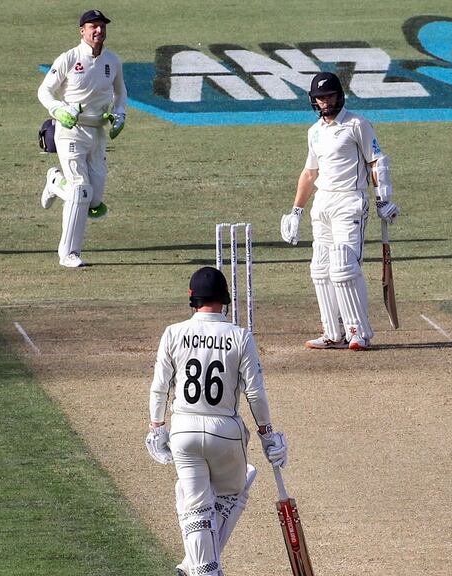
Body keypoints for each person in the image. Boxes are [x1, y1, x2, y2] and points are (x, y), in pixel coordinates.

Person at [147, 266, 288, 576]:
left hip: (183, 430)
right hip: (225, 431)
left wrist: (157, 427)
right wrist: (267, 435)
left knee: (193, 503)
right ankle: (205, 570)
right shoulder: (240, 336)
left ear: (191, 298)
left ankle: (196, 566)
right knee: (232, 491)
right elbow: (255, 394)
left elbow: (160, 387)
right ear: (225, 298)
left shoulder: (173, 332)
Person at [280, 71, 401, 350]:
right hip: (322, 203)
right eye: (320, 98)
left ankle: (359, 332)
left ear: (339, 96)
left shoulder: (357, 124)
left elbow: (376, 162)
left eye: (329, 97)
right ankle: (332, 332)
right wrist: (296, 211)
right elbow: (310, 173)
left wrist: (383, 199)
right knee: (320, 270)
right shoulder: (314, 132)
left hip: (350, 201)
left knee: (344, 268)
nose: (325, 103)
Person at [37, 9, 127, 268]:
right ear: (82, 31)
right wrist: (59, 111)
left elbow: (121, 95)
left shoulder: (113, 61)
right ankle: (69, 254)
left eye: (102, 26)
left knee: (94, 199)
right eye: (93, 27)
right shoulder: (69, 58)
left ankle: (55, 181)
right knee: (80, 189)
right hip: (70, 130)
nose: (99, 31)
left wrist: (120, 115)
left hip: (97, 133)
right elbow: (44, 91)